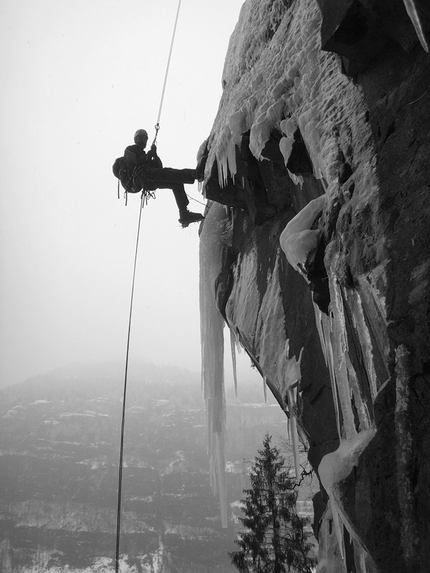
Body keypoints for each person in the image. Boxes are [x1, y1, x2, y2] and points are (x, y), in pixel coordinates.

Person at [117, 129, 204, 227]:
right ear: (136, 139)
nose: (143, 141)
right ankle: (195, 174)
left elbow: (158, 168)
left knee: (175, 182)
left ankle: (184, 213)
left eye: (144, 138)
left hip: (146, 180)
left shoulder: (144, 155)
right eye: (141, 138)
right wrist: (150, 155)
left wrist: (155, 155)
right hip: (143, 177)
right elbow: (138, 161)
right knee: (170, 173)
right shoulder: (129, 150)